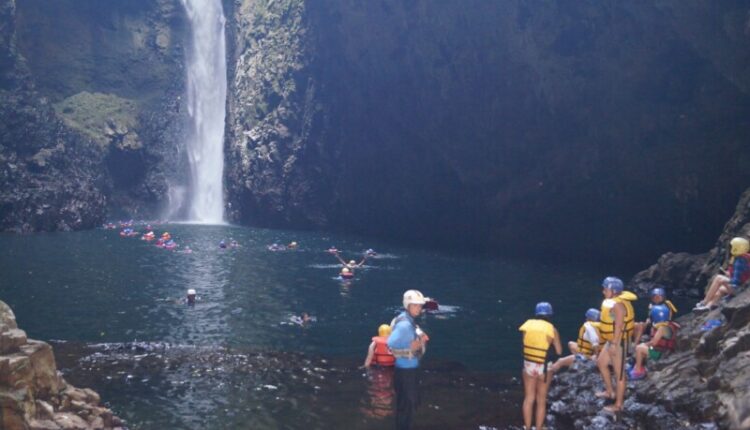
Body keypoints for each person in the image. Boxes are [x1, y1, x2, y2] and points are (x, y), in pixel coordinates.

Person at [387, 290, 429, 430]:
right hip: (405, 372)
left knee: (409, 404)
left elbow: (414, 330)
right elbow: (390, 344)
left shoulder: (407, 319)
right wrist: (410, 349)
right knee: (407, 406)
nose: (418, 309)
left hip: (409, 370)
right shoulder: (404, 325)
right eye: (415, 305)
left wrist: (420, 336)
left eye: (420, 306)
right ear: (407, 305)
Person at [596, 276, 637, 413]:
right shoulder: (613, 303)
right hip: (612, 340)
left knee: (619, 374)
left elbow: (619, 325)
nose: (603, 291)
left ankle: (619, 405)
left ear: (613, 291)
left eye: (605, 289)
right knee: (601, 362)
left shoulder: (618, 305)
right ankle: (610, 392)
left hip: (619, 342)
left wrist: (614, 344)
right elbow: (613, 321)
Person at [519, 302, 562, 430]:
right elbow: (559, 351)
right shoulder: (552, 329)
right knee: (541, 400)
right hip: (544, 368)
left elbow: (524, 342)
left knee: (529, 398)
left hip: (529, 365)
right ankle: (539, 428)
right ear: (549, 315)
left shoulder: (527, 326)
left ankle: (527, 427)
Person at [695, 237, 750, 311]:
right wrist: (728, 275)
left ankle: (704, 302)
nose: (730, 248)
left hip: (739, 289)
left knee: (719, 278)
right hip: (742, 288)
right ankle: (708, 307)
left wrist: (727, 279)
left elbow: (736, 282)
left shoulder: (740, 260)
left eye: (731, 246)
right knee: (721, 289)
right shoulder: (744, 258)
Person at [629, 304, 679, 380]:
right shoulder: (669, 324)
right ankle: (638, 366)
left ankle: (638, 371)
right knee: (642, 348)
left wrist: (643, 344)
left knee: (639, 348)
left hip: (660, 355)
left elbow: (653, 343)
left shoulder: (662, 328)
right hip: (663, 351)